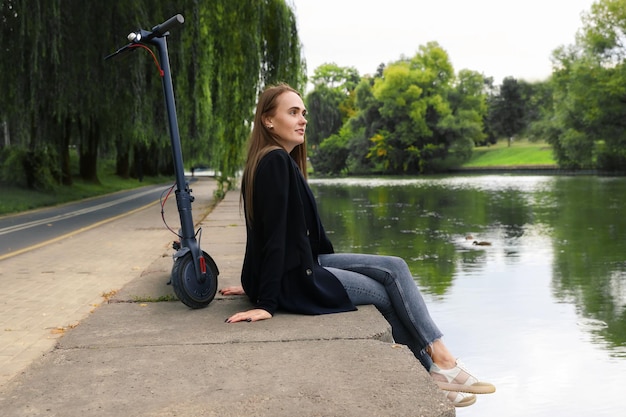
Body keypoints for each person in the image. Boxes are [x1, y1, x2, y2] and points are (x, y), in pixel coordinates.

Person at [219, 83, 495, 408]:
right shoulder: (276, 161)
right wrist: (265, 300)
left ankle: (438, 369)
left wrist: (251, 279)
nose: (303, 119)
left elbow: (264, 231)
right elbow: (275, 232)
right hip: (297, 278)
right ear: (268, 120)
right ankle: (440, 366)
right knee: (387, 294)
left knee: (395, 266)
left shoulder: (274, 160)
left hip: (308, 261)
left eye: (303, 113)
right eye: (293, 112)